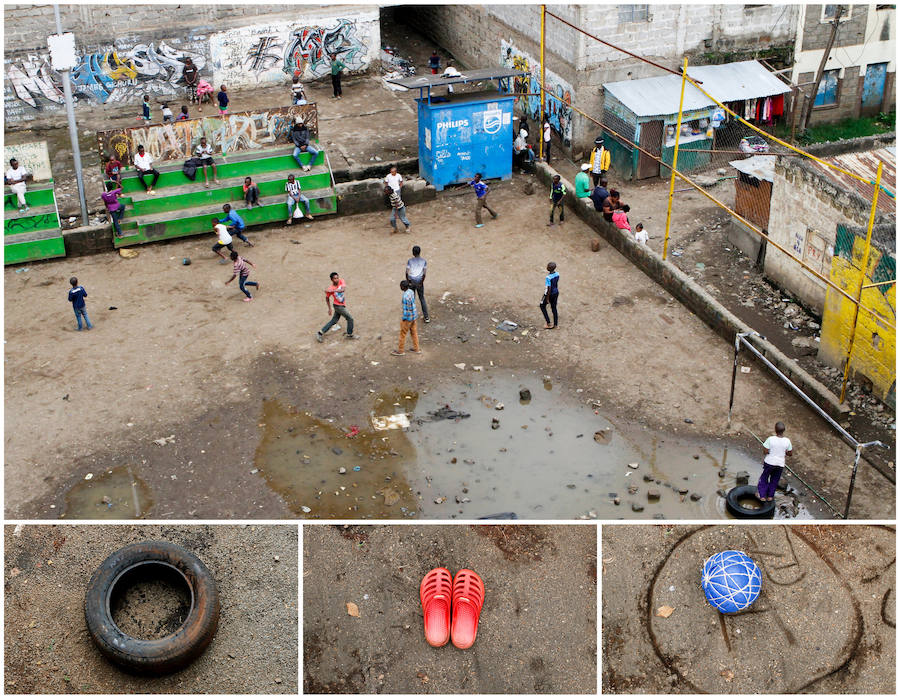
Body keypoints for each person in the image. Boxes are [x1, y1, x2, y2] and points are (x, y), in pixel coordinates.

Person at [758, 421, 793, 502]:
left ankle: (762, 496)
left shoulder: (770, 439)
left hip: (769, 463)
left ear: (775, 430)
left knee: (764, 478)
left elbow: (765, 451)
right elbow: (790, 453)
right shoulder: (787, 441)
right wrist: (784, 452)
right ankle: (770, 496)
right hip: (780, 464)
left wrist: (771, 451)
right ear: (783, 430)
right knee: (774, 480)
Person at [317, 272, 357, 341]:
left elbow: (343, 289)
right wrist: (329, 308)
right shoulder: (330, 288)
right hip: (338, 306)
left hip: (340, 305)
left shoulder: (341, 281)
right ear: (332, 280)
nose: (337, 279)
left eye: (337, 278)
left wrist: (332, 290)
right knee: (350, 318)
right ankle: (349, 334)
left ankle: (320, 333)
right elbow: (327, 298)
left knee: (334, 321)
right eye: (335, 278)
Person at [391, 280, 421, 355]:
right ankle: (416, 348)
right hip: (414, 316)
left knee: (402, 334)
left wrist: (404, 319)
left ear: (403, 287)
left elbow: (406, 309)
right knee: (414, 333)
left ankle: (400, 351)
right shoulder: (411, 291)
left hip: (408, 318)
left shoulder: (405, 297)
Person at [406, 245, 429, 323]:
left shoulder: (410, 261)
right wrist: (421, 282)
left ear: (413, 253)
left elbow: (407, 272)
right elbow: (424, 274)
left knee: (412, 299)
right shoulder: (424, 261)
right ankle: (426, 317)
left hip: (412, 282)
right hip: (419, 282)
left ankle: (411, 317)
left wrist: (408, 281)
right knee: (422, 299)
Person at [540, 262, 559, 329]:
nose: (547, 267)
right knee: (554, 308)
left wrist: (547, 298)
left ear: (550, 268)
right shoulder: (557, 274)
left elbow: (549, 288)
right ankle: (556, 325)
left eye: (548, 266)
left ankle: (549, 323)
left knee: (542, 306)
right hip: (556, 292)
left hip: (549, 294)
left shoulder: (548, 277)